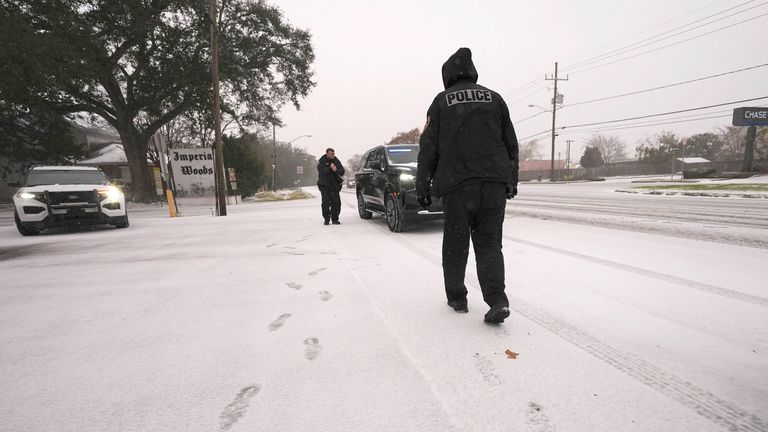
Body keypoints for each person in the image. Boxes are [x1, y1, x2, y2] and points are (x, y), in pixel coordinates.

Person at [416, 47, 519, 324]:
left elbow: (427, 149)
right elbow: (511, 144)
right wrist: (511, 179)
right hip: (494, 184)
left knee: (456, 244)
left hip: (458, 185)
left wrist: (423, 186)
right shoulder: (494, 99)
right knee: (489, 245)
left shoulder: (441, 102)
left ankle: (457, 298)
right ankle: (497, 300)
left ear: (447, 75)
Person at [316, 148, 345, 225]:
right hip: (324, 185)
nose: (332, 155)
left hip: (334, 185)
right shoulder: (322, 160)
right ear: (327, 154)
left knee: (336, 203)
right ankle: (326, 219)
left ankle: (335, 219)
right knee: (325, 203)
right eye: (331, 153)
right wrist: (330, 167)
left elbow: (341, 171)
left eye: (333, 153)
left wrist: (335, 170)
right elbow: (321, 171)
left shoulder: (336, 160)